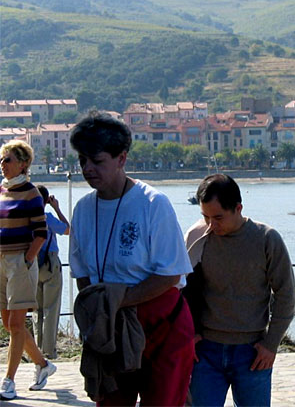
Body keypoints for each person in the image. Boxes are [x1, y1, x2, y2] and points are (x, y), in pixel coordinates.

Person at [65, 115, 197, 406]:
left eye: (97, 161)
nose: (87, 169)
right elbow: (83, 274)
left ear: (121, 158)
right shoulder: (83, 210)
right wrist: (101, 310)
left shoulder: (153, 203)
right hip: (111, 329)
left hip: (163, 327)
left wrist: (117, 301)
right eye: (82, 161)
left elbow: (170, 275)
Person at [183, 175, 291, 406]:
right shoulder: (196, 237)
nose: (211, 225)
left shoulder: (266, 239)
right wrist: (189, 334)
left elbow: (285, 294)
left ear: (238, 208)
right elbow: (180, 290)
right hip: (205, 352)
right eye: (205, 216)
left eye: (218, 217)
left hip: (252, 353)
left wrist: (271, 344)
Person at [0, 141, 59, 398]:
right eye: (2, 160)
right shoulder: (2, 191)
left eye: (8, 159)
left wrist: (27, 260)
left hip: (19, 263)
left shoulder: (32, 193)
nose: (3, 165)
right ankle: (43, 365)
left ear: (23, 163)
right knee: (8, 323)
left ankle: (9, 381)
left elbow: (41, 232)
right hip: (1, 262)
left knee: (15, 323)